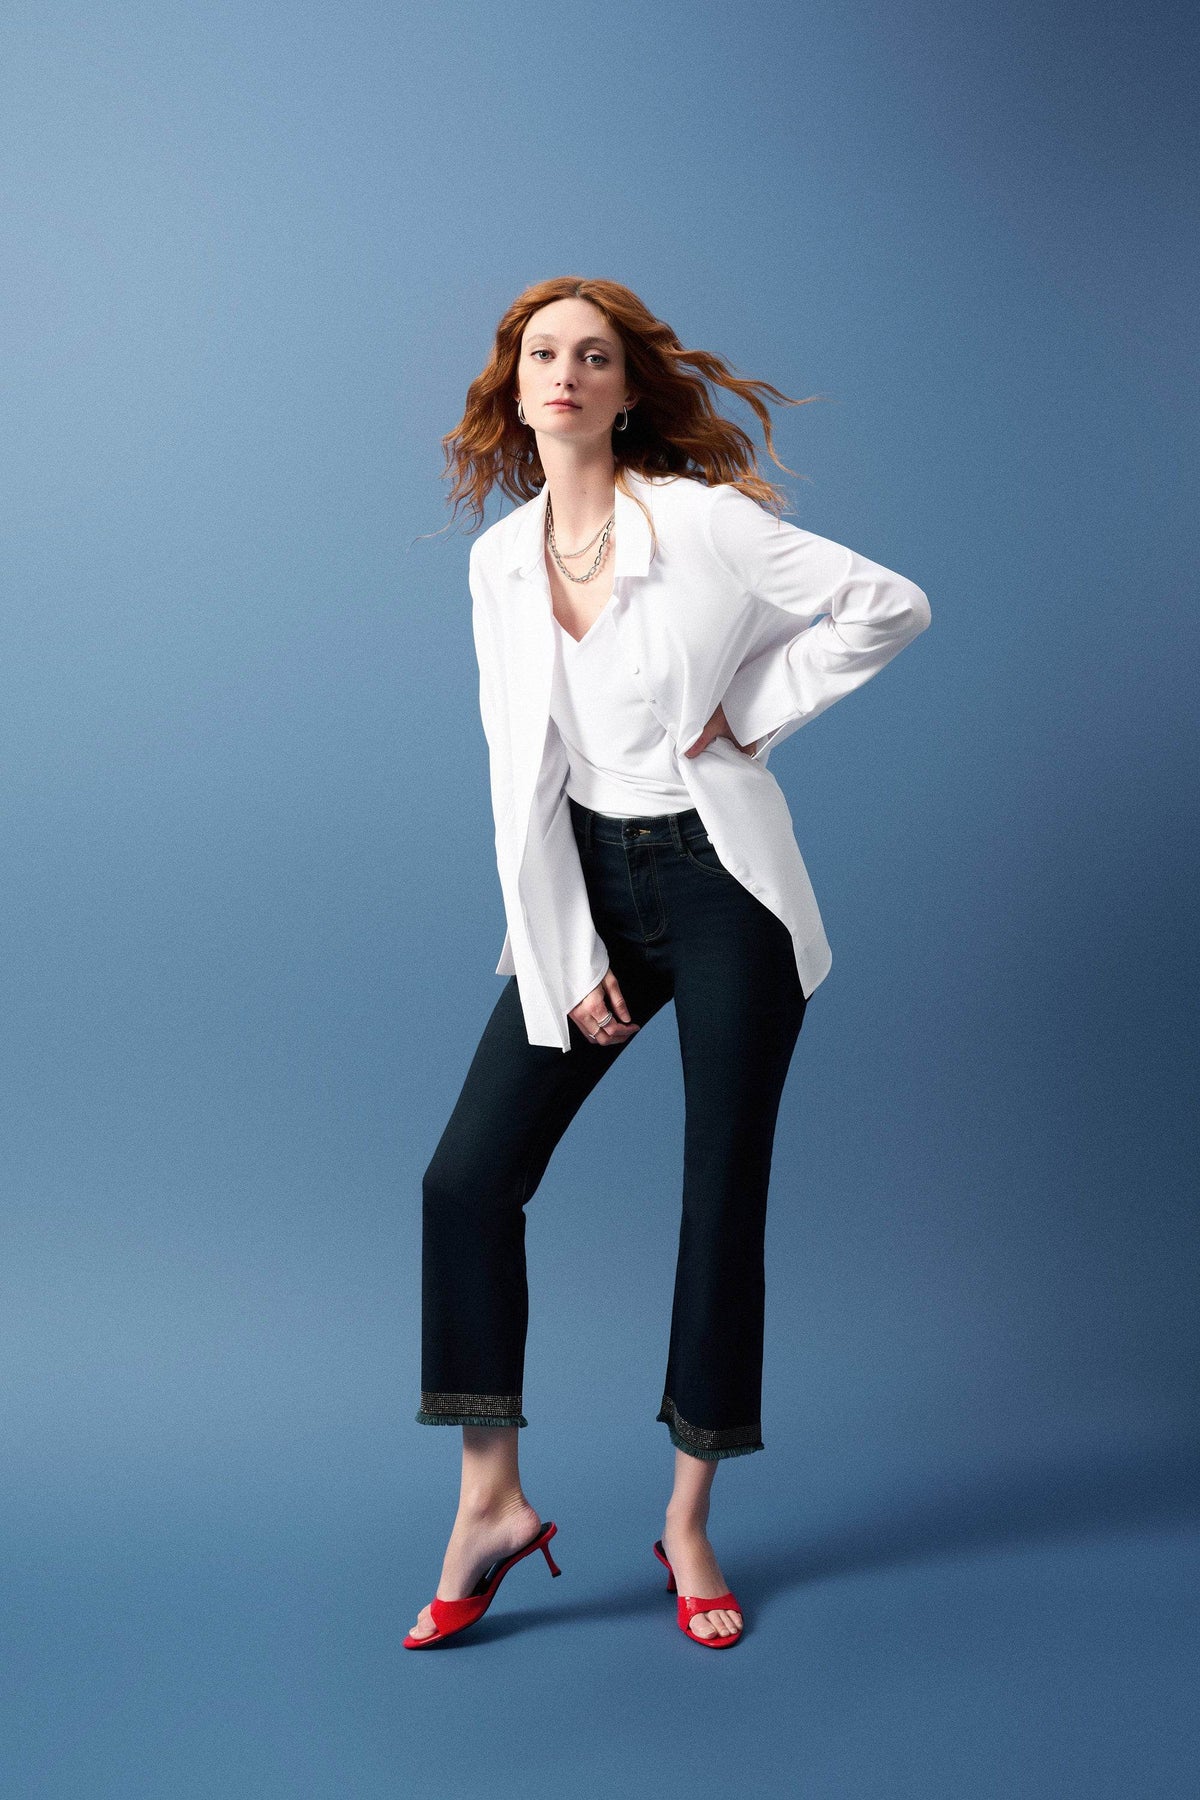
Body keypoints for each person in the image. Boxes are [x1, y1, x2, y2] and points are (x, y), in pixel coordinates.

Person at [405, 278, 931, 1650]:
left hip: (722, 882)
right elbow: (517, 780)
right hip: (587, 880)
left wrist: (750, 710)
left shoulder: (701, 524)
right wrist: (563, 949)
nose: (567, 373)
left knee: (717, 1195)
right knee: (467, 1180)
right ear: (515, 386)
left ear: (628, 389)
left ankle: (689, 1521)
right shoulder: (500, 562)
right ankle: (489, 1504)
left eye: (594, 355)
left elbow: (890, 607)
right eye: (543, 354)